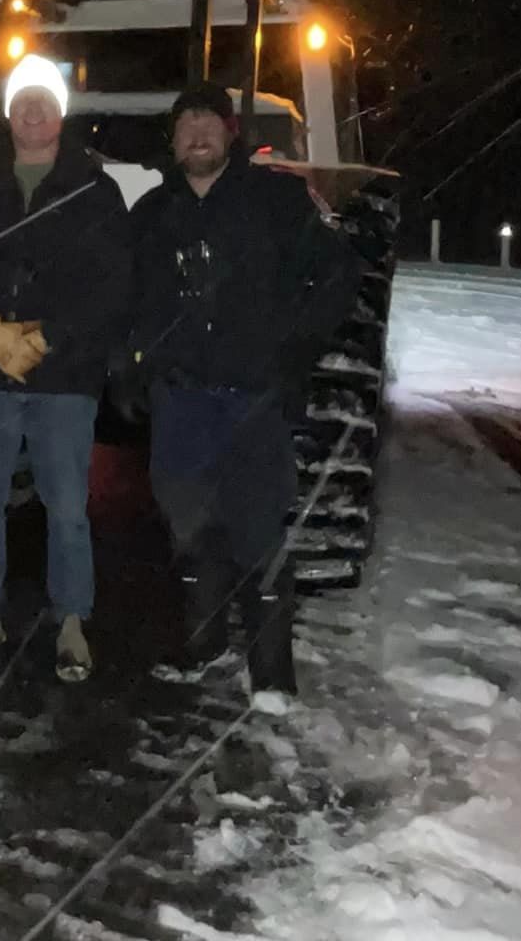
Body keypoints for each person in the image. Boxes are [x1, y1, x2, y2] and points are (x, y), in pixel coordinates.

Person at [127, 84, 363, 697]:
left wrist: (295, 351)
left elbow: (338, 274)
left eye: (209, 121)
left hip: (254, 401)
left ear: (231, 133)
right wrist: (131, 366)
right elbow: (126, 300)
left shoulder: (277, 200)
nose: (198, 133)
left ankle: (272, 675)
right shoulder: (151, 216)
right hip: (180, 404)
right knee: (190, 533)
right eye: (186, 124)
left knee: (260, 536)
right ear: (172, 140)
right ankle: (203, 645)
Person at [0, 55, 132, 682]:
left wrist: (48, 338)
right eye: (22, 100)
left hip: (63, 379)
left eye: (44, 99)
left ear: (61, 112)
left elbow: (112, 286)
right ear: (8, 111)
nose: (33, 110)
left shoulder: (95, 191)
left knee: (66, 504)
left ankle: (72, 621)